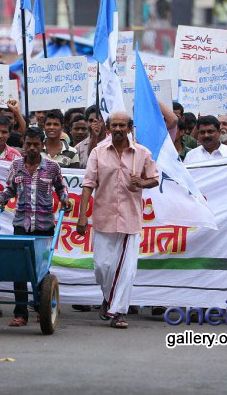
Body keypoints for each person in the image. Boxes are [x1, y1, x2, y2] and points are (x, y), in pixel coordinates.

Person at [76, 111, 159, 329]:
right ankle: (109, 298)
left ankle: (118, 312)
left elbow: (154, 179)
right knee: (101, 267)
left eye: (122, 126)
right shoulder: (98, 152)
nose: (118, 129)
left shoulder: (142, 153)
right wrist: (82, 216)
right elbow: (88, 184)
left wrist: (141, 182)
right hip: (103, 217)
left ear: (130, 128)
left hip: (130, 220)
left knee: (126, 270)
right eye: (114, 125)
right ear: (108, 128)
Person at [0, 127, 71, 326]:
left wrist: (65, 198)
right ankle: (20, 314)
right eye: (28, 144)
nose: (32, 148)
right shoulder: (16, 166)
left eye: (36, 144)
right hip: (22, 225)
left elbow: (61, 187)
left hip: (44, 226)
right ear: (23, 143)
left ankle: (42, 307)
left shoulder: (52, 167)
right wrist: (1, 197)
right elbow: (9, 189)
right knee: (19, 270)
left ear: (42, 145)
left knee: (41, 269)